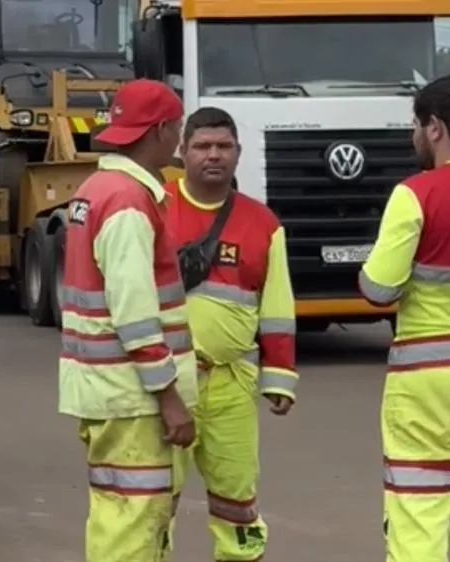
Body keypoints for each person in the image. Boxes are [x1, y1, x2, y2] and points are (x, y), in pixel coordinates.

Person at [58, 79, 197, 562]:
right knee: (135, 519)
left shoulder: (96, 189)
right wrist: (169, 397)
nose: (179, 139)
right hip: (133, 398)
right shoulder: (128, 201)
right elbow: (135, 316)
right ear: (159, 130)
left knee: (116, 512)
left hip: (105, 389)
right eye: (178, 128)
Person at [163, 107, 297, 562]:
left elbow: (276, 308)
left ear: (238, 153)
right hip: (167, 383)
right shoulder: (155, 206)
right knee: (155, 500)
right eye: (202, 146)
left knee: (236, 501)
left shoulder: (263, 223)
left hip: (232, 384)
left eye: (223, 146)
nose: (213, 155)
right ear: (183, 152)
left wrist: (279, 378)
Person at [358, 75, 450, 562]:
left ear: (435, 127)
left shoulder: (416, 194)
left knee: (420, 504)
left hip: (428, 381)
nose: (413, 136)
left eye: (415, 126)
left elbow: (379, 289)